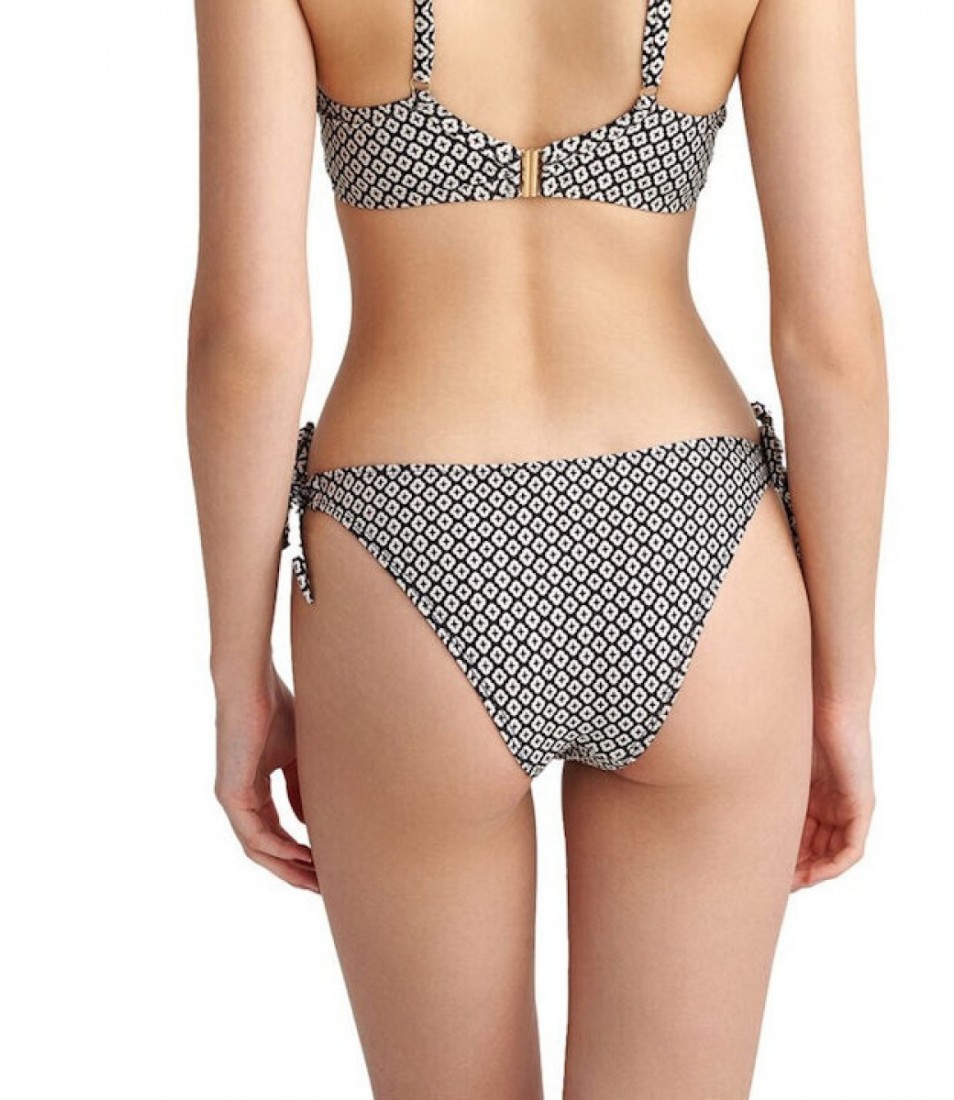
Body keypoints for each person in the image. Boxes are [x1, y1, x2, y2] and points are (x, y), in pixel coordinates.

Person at [187, 0, 887, 1095]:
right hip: (691, 533)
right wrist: (843, 690)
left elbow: (249, 338)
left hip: (404, 541)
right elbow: (829, 335)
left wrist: (238, 678)